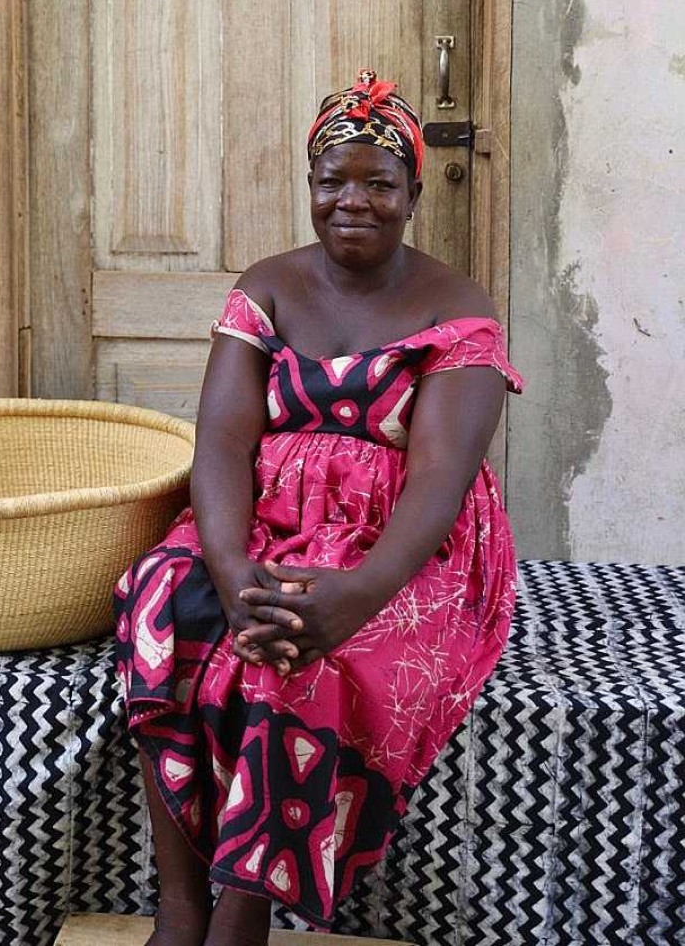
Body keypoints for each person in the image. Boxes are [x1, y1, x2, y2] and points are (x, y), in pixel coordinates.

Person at [114, 71, 523, 945]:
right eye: (332, 179)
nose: (353, 201)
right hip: (263, 520)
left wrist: (353, 597)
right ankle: (179, 904)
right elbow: (220, 445)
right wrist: (228, 573)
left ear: (413, 193)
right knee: (159, 596)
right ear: (309, 186)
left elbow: (438, 487)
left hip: (402, 547)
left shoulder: (457, 311)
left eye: (379, 183)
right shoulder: (266, 288)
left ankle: (243, 912)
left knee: (297, 658)